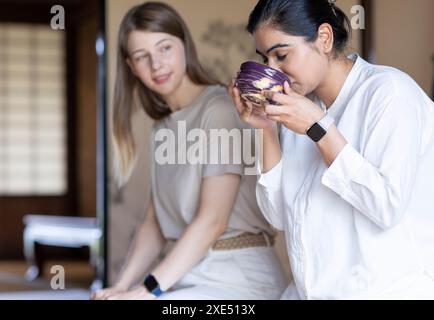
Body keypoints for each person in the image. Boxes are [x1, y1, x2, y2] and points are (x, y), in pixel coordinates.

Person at [229, 0, 434, 299]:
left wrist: (318, 128)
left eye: (282, 55)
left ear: (323, 38)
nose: (273, 71)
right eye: (265, 58)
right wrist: (266, 130)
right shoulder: (301, 107)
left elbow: (385, 206)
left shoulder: (390, 93)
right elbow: (279, 218)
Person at [92, 2, 286, 300]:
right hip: (193, 275)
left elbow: (212, 221)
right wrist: (121, 285)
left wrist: (147, 291)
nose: (156, 64)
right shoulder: (162, 128)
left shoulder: (218, 108)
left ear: (184, 43)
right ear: (131, 66)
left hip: (239, 279)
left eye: (165, 48)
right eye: (142, 56)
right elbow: (154, 224)